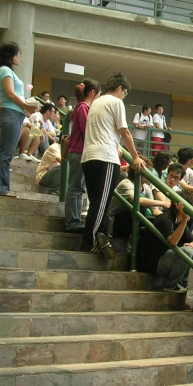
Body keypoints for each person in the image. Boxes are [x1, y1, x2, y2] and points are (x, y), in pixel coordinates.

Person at [80, 72, 144, 258]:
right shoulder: (116, 102)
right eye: (125, 92)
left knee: (96, 203)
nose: (125, 96)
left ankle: (99, 237)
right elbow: (125, 132)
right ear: (119, 89)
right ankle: (90, 242)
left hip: (89, 156)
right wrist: (135, 156)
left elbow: (105, 129)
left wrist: (116, 145)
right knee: (101, 204)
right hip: (105, 158)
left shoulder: (96, 102)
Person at [0, 42, 38, 197]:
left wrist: (25, 108)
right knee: (5, 153)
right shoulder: (5, 70)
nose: (19, 57)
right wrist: (25, 105)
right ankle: (1, 189)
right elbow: (10, 94)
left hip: (15, 114)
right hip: (10, 113)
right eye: (18, 54)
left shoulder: (8, 70)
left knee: (7, 153)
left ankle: (1, 188)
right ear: (11, 55)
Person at [63, 79, 100, 233]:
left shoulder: (81, 107)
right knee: (76, 187)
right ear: (92, 93)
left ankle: (75, 219)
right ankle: (72, 221)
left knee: (78, 187)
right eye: (99, 94)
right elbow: (88, 130)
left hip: (79, 152)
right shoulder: (83, 108)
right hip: (79, 151)